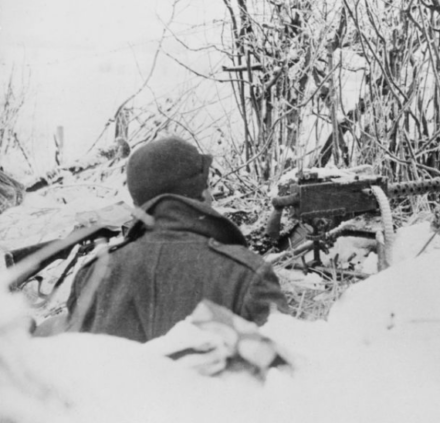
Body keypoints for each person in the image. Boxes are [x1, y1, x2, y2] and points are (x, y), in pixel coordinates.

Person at [64, 136, 289, 344]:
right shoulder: (247, 275)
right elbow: (286, 377)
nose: (212, 196)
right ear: (199, 194)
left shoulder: (91, 276)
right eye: (208, 186)